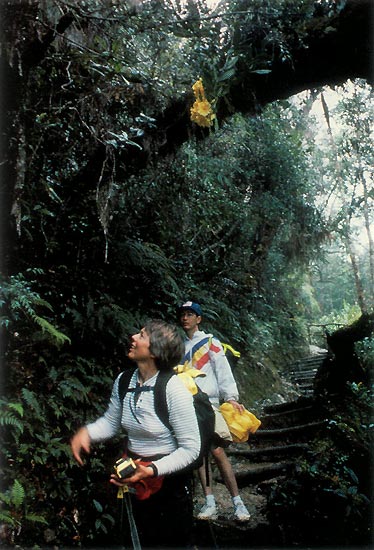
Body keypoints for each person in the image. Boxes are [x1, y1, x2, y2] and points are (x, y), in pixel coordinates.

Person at [71, 319, 200, 548]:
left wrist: (149, 470)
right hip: (133, 476)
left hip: (169, 483)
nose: (133, 338)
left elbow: (191, 449)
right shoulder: (124, 380)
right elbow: (112, 423)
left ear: (155, 351)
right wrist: (86, 433)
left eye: (141, 336)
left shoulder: (173, 389)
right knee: (138, 538)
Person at [178, 301, 251, 522]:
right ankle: (209, 502)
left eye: (190, 314)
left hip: (208, 402)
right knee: (200, 454)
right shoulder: (178, 346)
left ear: (199, 319)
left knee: (218, 450)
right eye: (183, 314)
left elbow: (223, 370)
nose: (186, 318)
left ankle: (238, 502)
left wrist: (230, 397)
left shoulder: (211, 342)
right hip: (187, 404)